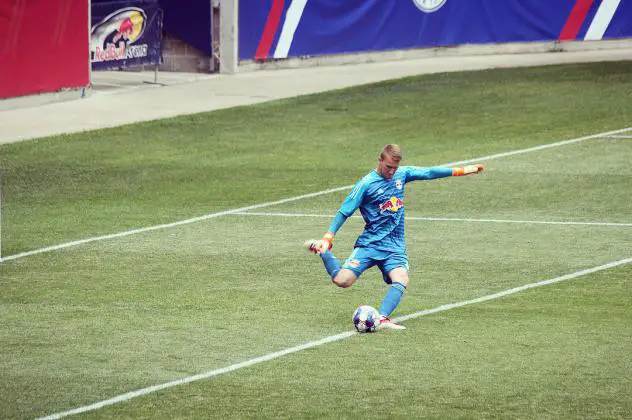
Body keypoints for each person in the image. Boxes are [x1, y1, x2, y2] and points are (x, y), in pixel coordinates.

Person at [304, 144, 484, 330]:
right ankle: (322, 250)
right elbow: (344, 212)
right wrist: (328, 238)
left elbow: (429, 172)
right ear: (380, 160)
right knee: (342, 281)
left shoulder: (401, 174)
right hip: (371, 244)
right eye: (388, 167)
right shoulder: (366, 184)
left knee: (401, 278)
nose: (392, 171)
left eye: (395, 168)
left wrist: (462, 170)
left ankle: (382, 318)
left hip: (395, 246)